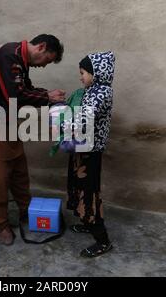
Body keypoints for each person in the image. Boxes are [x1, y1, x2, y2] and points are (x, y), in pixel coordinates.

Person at [0, 34, 65, 245]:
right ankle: (1, 224)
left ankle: (25, 210)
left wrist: (47, 94)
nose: (44, 66)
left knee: (19, 167)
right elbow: (16, 95)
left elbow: (24, 88)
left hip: (7, 117)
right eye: (47, 60)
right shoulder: (9, 57)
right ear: (41, 47)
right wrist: (48, 98)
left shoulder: (19, 57)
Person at [66, 51, 115, 257]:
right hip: (81, 147)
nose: (80, 77)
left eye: (83, 72)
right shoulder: (91, 90)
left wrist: (62, 122)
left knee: (89, 192)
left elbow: (85, 118)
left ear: (97, 72)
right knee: (79, 186)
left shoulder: (101, 92)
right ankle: (87, 221)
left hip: (90, 152)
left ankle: (102, 240)